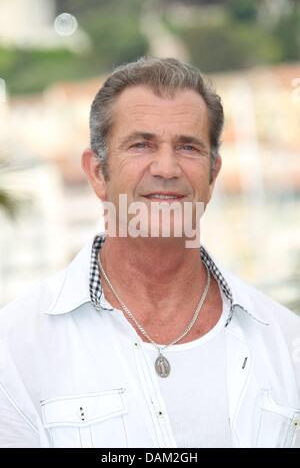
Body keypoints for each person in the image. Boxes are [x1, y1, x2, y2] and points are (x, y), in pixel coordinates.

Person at [0, 57, 299, 449]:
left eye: (188, 147)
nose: (166, 167)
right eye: (141, 145)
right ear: (97, 173)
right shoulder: (16, 347)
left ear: (213, 176)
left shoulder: (287, 345)